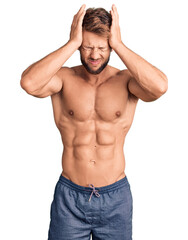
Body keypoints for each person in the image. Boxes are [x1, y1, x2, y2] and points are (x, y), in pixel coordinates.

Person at [20, 4, 168, 240]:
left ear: (110, 45)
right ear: (80, 44)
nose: (95, 55)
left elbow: (160, 87)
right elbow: (29, 83)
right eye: (87, 46)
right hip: (70, 197)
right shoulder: (64, 78)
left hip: (115, 198)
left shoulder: (126, 81)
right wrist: (70, 43)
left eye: (102, 47)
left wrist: (119, 44)